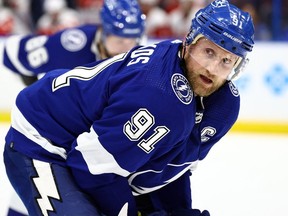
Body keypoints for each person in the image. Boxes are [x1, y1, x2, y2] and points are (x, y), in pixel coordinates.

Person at [3, 0, 254, 215]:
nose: (212, 68)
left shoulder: (222, 107)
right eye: (208, 52)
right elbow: (91, 167)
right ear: (189, 41)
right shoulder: (158, 94)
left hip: (87, 145)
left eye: (226, 61)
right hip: (42, 139)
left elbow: (168, 171)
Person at [0, 0, 146, 86]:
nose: (127, 49)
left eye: (132, 40)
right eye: (119, 40)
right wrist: (32, 82)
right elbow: (13, 50)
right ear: (103, 32)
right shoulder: (75, 44)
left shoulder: (145, 54)